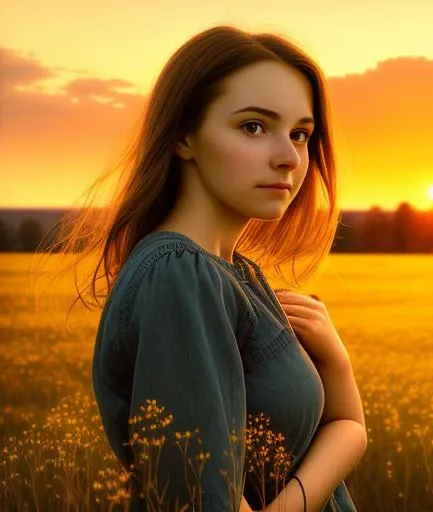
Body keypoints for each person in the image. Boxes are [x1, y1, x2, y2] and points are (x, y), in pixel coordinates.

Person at [45, 25, 367, 511]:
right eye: (254, 127)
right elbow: (204, 500)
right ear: (182, 136)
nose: (288, 158)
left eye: (300, 134)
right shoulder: (178, 274)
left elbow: (349, 431)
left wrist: (336, 361)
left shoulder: (235, 274)